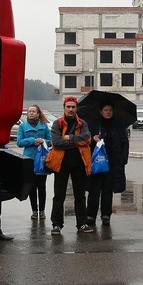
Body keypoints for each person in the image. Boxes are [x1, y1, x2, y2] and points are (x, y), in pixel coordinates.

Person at [49, 97, 93, 234]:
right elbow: (56, 142)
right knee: (59, 195)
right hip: (61, 164)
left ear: (76, 108)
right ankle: (56, 224)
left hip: (80, 164)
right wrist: (75, 143)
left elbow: (87, 139)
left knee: (80, 195)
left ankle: (82, 223)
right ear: (64, 107)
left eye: (73, 107)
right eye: (68, 107)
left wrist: (70, 138)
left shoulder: (82, 123)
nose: (70, 109)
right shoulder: (58, 123)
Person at [86, 102, 130, 227]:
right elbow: (85, 142)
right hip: (97, 162)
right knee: (94, 190)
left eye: (110, 110)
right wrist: (92, 140)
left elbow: (124, 143)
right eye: (106, 110)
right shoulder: (93, 125)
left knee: (107, 190)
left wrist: (123, 159)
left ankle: (106, 215)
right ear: (101, 111)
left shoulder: (118, 126)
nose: (108, 112)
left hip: (112, 162)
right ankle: (90, 215)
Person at [17, 104, 52, 221]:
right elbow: (19, 142)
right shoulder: (23, 126)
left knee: (41, 186)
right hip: (29, 159)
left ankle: (42, 211)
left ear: (38, 114)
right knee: (31, 186)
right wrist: (32, 141)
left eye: (33, 111)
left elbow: (50, 140)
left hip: (42, 159)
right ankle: (34, 210)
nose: (31, 113)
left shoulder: (44, 125)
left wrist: (43, 141)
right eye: (29, 111)